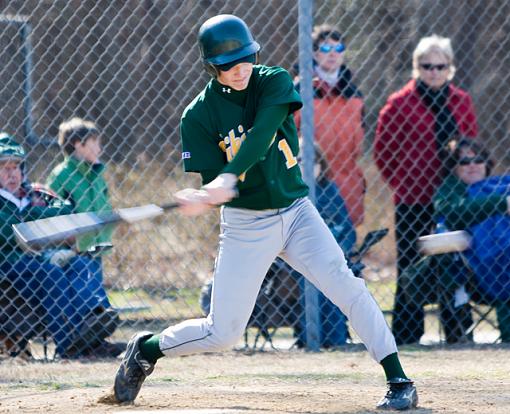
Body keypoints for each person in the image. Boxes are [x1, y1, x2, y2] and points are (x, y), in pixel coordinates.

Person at [110, 15, 417, 410]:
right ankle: (147, 349)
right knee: (223, 333)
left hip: (298, 212)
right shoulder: (198, 116)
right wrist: (205, 195)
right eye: (227, 64)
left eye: (245, 59)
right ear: (210, 67)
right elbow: (215, 186)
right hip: (246, 224)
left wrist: (228, 174)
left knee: (347, 285)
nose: (239, 70)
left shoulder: (273, 81)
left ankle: (398, 379)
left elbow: (263, 132)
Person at [373, 34, 478, 345]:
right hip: (413, 198)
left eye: (440, 66)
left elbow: (471, 144)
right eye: (427, 66)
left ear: (450, 68)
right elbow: (382, 153)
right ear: (417, 67)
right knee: (411, 261)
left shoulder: (461, 101)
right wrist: (404, 181)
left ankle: (458, 330)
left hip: (454, 198)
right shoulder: (399, 103)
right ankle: (406, 334)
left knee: (455, 261)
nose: (433, 72)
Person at [0, 133, 123, 359]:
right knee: (51, 273)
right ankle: (69, 346)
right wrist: (34, 215)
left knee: (79, 263)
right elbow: (8, 229)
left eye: (16, 166)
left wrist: (29, 216)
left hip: (41, 256)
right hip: (10, 263)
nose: (12, 173)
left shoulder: (34, 191)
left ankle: (95, 324)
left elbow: (66, 211)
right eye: (4, 168)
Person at [432, 139, 510, 342]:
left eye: (479, 159)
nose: (473, 165)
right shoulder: (450, 191)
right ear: (454, 168)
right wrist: (502, 203)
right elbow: (451, 213)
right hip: (473, 269)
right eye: (465, 162)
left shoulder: (500, 185)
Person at [294, 24, 365, 227]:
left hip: (348, 185)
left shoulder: (354, 95)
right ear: (314, 53)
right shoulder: (299, 91)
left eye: (338, 48)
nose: (333, 54)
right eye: (325, 48)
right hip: (311, 183)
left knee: (345, 246)